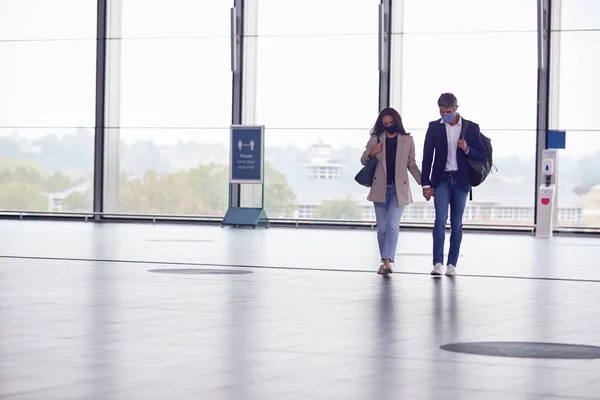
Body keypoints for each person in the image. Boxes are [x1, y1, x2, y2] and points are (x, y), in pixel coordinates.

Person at [421, 93, 487, 276]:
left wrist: (467, 149)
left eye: (448, 111)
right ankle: (437, 263)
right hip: (441, 179)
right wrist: (425, 183)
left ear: (456, 108)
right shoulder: (434, 127)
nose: (445, 115)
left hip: (461, 180)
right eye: (442, 112)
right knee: (440, 221)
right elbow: (427, 157)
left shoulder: (471, 128)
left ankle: (452, 264)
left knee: (456, 223)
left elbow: (482, 154)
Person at [361, 108, 422, 275]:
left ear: (397, 122)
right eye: (385, 124)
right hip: (380, 188)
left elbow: (411, 164)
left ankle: (388, 261)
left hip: (398, 189)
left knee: (392, 225)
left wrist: (425, 183)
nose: (389, 126)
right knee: (381, 228)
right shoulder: (376, 139)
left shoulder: (407, 140)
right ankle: (385, 261)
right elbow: (363, 160)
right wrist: (372, 152)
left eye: (391, 123)